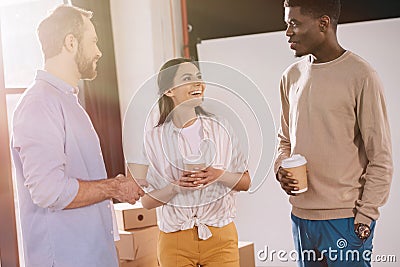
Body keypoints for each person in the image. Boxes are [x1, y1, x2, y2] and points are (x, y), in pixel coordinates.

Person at [11, 5, 144, 267]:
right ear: (71, 43)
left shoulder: (68, 102)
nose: (99, 52)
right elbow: (49, 192)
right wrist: (113, 187)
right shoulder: (40, 104)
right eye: (93, 41)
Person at [274, 0, 393, 266]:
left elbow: (380, 156)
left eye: (294, 23)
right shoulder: (290, 77)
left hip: (346, 220)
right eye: (286, 24)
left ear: (323, 23)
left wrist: (366, 216)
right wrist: (280, 167)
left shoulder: (361, 75)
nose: (287, 32)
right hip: (302, 218)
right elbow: (284, 140)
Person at [128, 58, 251, 267]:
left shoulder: (222, 129)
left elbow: (245, 182)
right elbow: (146, 202)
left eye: (199, 77)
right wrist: (175, 188)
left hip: (220, 237)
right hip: (174, 241)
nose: (198, 84)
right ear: (169, 90)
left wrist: (218, 175)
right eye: (187, 78)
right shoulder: (153, 140)